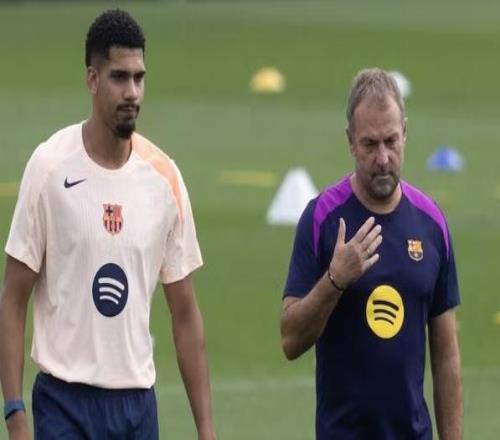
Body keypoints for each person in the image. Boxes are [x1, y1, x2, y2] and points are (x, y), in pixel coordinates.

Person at [0, 9, 216, 440]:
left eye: (139, 78)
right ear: (92, 79)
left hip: (137, 407)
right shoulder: (49, 168)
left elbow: (186, 316)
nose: (132, 91)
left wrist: (206, 431)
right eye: (119, 77)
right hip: (64, 402)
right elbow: (13, 299)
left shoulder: (165, 179)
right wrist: (15, 414)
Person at [280, 68, 462, 439]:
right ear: (350, 141)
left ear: (405, 133)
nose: (382, 158)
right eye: (370, 144)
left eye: (391, 141)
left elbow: (446, 356)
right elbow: (290, 341)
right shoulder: (322, 218)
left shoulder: (431, 223)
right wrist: (335, 280)